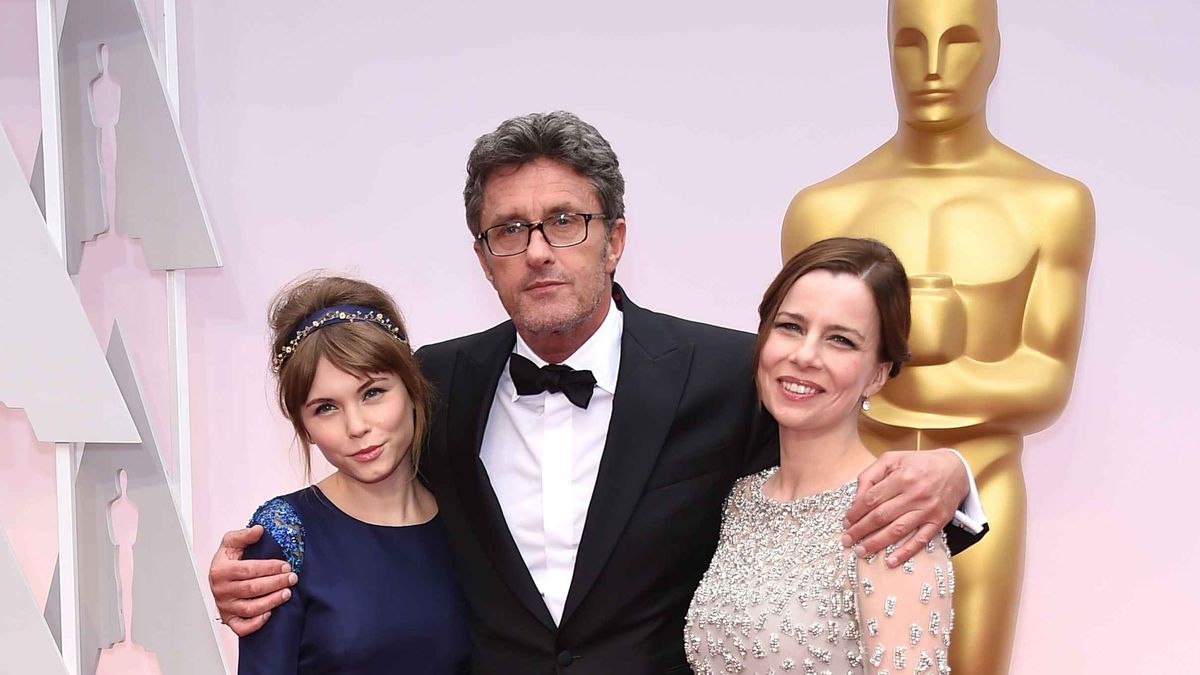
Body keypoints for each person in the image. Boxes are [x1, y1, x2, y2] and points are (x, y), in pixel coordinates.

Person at [210, 112, 985, 674]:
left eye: (565, 222)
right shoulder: (432, 387)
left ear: (615, 238)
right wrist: (264, 563)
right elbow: (359, 509)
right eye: (508, 230)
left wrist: (952, 472)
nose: (538, 251)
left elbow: (824, 454)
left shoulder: (727, 373)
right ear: (483, 259)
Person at [686, 237, 954, 674]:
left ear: (878, 374)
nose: (805, 356)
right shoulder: (744, 499)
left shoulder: (891, 513)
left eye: (841, 340)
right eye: (790, 327)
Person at [236, 275, 468, 674]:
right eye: (326, 407)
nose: (356, 426)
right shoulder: (285, 534)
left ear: (412, 389)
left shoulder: (469, 517)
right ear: (303, 427)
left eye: (372, 392)